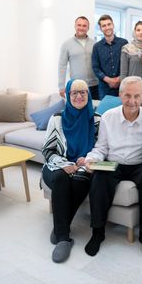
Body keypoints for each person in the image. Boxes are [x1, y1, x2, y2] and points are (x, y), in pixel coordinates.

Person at [84, 76, 142, 258]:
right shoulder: (108, 117)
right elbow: (101, 147)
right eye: (127, 95)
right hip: (114, 163)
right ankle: (97, 233)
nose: (132, 101)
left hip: (139, 164)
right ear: (120, 95)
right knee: (99, 178)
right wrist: (91, 159)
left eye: (136, 96)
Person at [41, 79, 101, 263]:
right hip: (56, 166)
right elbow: (47, 150)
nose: (79, 96)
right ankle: (64, 239)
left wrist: (87, 160)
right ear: (67, 95)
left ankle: (60, 227)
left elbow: (101, 148)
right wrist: (63, 164)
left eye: (83, 92)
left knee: (80, 180)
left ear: (88, 95)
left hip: (83, 167)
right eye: (74, 92)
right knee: (61, 178)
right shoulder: (57, 119)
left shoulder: (97, 120)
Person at [58, 16, 100, 100]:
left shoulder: (95, 44)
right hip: (77, 86)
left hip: (95, 86)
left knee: (95, 110)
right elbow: (62, 66)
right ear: (75, 26)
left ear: (88, 28)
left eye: (84, 26)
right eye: (79, 25)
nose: (81, 28)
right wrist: (61, 86)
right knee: (79, 111)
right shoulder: (66, 44)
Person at [91, 14, 129, 99]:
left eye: (109, 24)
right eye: (104, 26)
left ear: (113, 25)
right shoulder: (97, 47)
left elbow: (128, 64)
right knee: (105, 112)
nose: (107, 27)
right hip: (104, 88)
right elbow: (95, 67)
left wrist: (119, 79)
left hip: (122, 86)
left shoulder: (124, 43)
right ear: (100, 29)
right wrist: (109, 80)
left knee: (123, 111)